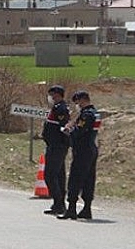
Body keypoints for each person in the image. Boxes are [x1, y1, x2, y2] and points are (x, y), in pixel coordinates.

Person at [58, 90, 101, 220]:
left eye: (77, 102)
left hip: (83, 149)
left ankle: (71, 208)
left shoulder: (86, 115)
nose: (77, 105)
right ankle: (86, 208)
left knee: (75, 178)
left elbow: (79, 131)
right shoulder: (96, 113)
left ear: (83, 100)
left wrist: (68, 131)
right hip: (91, 148)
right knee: (89, 178)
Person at [41, 85, 71, 215]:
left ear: (57, 95)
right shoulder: (56, 108)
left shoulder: (61, 109)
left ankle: (59, 203)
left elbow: (63, 127)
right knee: (58, 175)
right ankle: (58, 204)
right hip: (54, 145)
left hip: (57, 146)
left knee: (50, 175)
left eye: (52, 95)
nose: (51, 97)